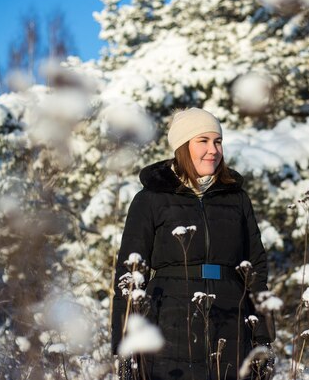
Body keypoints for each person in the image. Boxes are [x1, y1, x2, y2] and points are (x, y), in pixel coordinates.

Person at [111, 108, 275, 380]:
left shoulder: (236, 199)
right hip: (168, 327)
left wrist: (263, 340)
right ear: (182, 146)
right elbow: (130, 275)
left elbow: (255, 271)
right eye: (203, 141)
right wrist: (124, 348)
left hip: (231, 326)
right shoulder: (151, 199)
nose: (213, 150)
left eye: (218, 141)